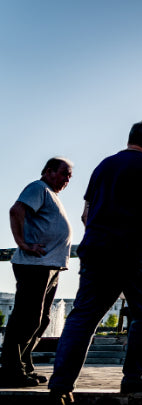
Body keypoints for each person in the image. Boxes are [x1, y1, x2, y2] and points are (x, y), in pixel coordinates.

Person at [48, 121, 142, 405]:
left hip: (96, 249)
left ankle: (61, 385)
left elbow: (86, 214)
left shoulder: (103, 167)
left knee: (83, 316)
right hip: (134, 251)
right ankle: (133, 377)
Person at [0, 158, 73, 388]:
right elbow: (16, 210)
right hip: (35, 265)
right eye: (64, 174)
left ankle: (24, 365)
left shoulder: (51, 194)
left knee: (41, 320)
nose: (66, 180)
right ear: (49, 171)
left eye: (69, 177)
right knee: (27, 317)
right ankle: (11, 369)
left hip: (50, 266)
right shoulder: (38, 188)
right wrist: (23, 243)